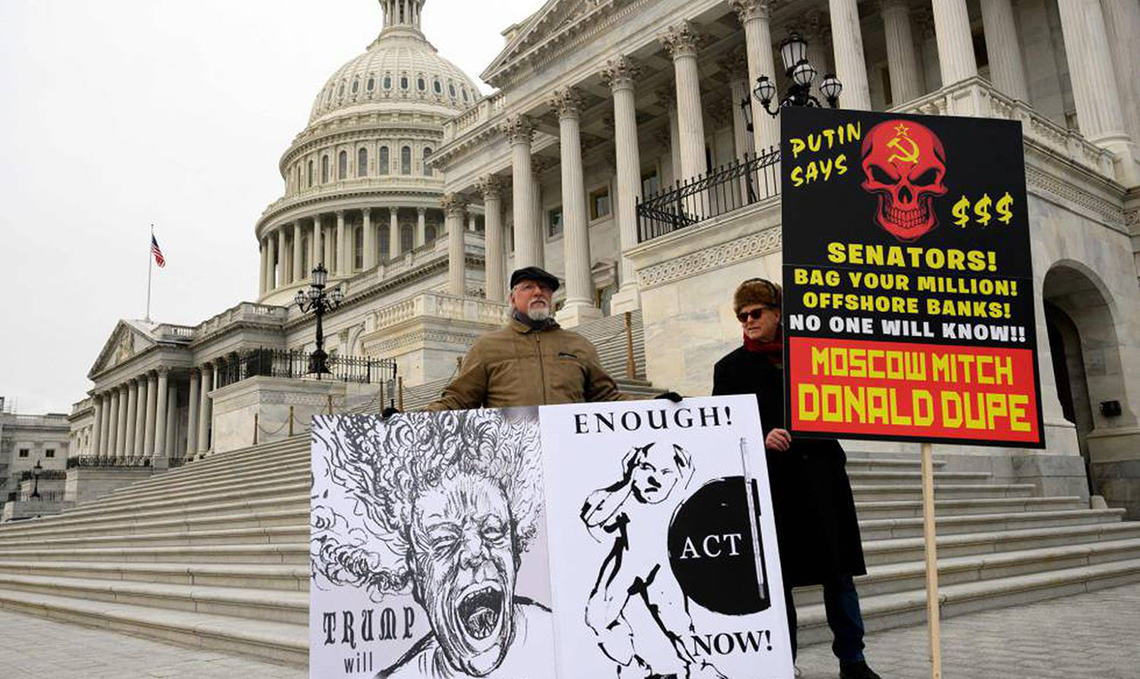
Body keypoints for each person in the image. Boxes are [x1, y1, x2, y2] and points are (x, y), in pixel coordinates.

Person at [711, 278, 880, 679]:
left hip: (823, 479)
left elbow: (846, 399)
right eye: (742, 316)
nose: (748, 321)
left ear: (777, 314)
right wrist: (760, 435)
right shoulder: (730, 368)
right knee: (779, 578)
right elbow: (722, 430)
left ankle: (853, 660)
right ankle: (782, 663)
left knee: (838, 575)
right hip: (775, 487)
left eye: (756, 313)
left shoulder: (814, 355)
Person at [425, 266, 649, 410]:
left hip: (569, 449)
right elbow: (460, 399)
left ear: (551, 297)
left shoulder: (579, 345)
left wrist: (657, 406)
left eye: (544, 288)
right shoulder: (487, 347)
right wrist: (407, 419)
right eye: (528, 287)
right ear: (513, 298)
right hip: (513, 454)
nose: (538, 292)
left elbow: (606, 397)